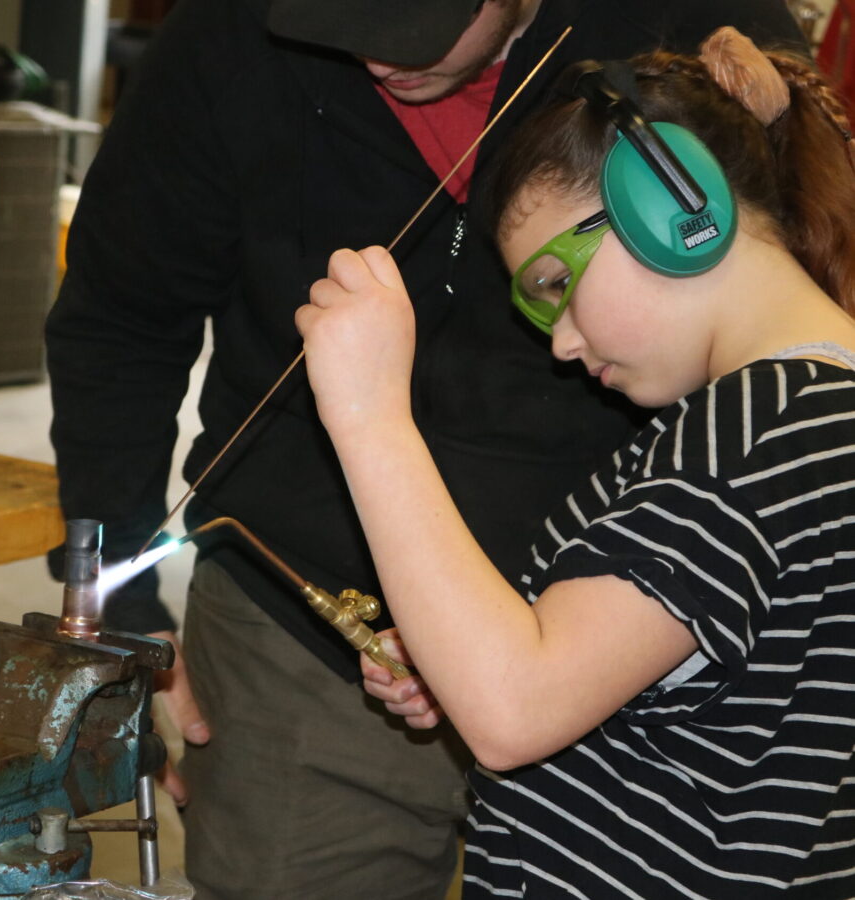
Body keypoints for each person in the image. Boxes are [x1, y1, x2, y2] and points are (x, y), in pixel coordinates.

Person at [45, 1, 808, 897]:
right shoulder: (223, 40)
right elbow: (118, 320)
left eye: (418, 23)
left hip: (614, 647)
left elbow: (516, 709)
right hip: (314, 631)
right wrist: (120, 607)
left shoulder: (748, 451)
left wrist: (371, 416)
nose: (378, 54)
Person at [296, 25, 855, 898]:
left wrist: (369, 415)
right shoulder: (814, 410)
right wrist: (466, 650)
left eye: (555, 284)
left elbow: (515, 710)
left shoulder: (746, 432)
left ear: (676, 207)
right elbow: (707, 696)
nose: (560, 343)